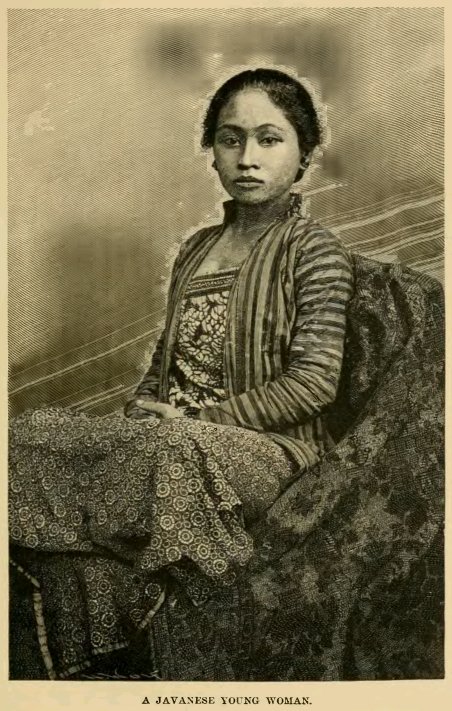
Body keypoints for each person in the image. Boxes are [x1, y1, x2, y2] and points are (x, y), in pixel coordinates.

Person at [9, 68, 354, 679]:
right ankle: (118, 530)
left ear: (304, 155)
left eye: (270, 139)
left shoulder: (314, 250)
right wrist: (144, 409)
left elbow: (314, 383)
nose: (248, 157)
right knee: (25, 435)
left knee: (169, 449)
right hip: (173, 437)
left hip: (270, 451)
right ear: (212, 152)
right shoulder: (196, 249)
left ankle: (130, 529)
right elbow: (165, 361)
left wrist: (198, 420)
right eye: (230, 139)